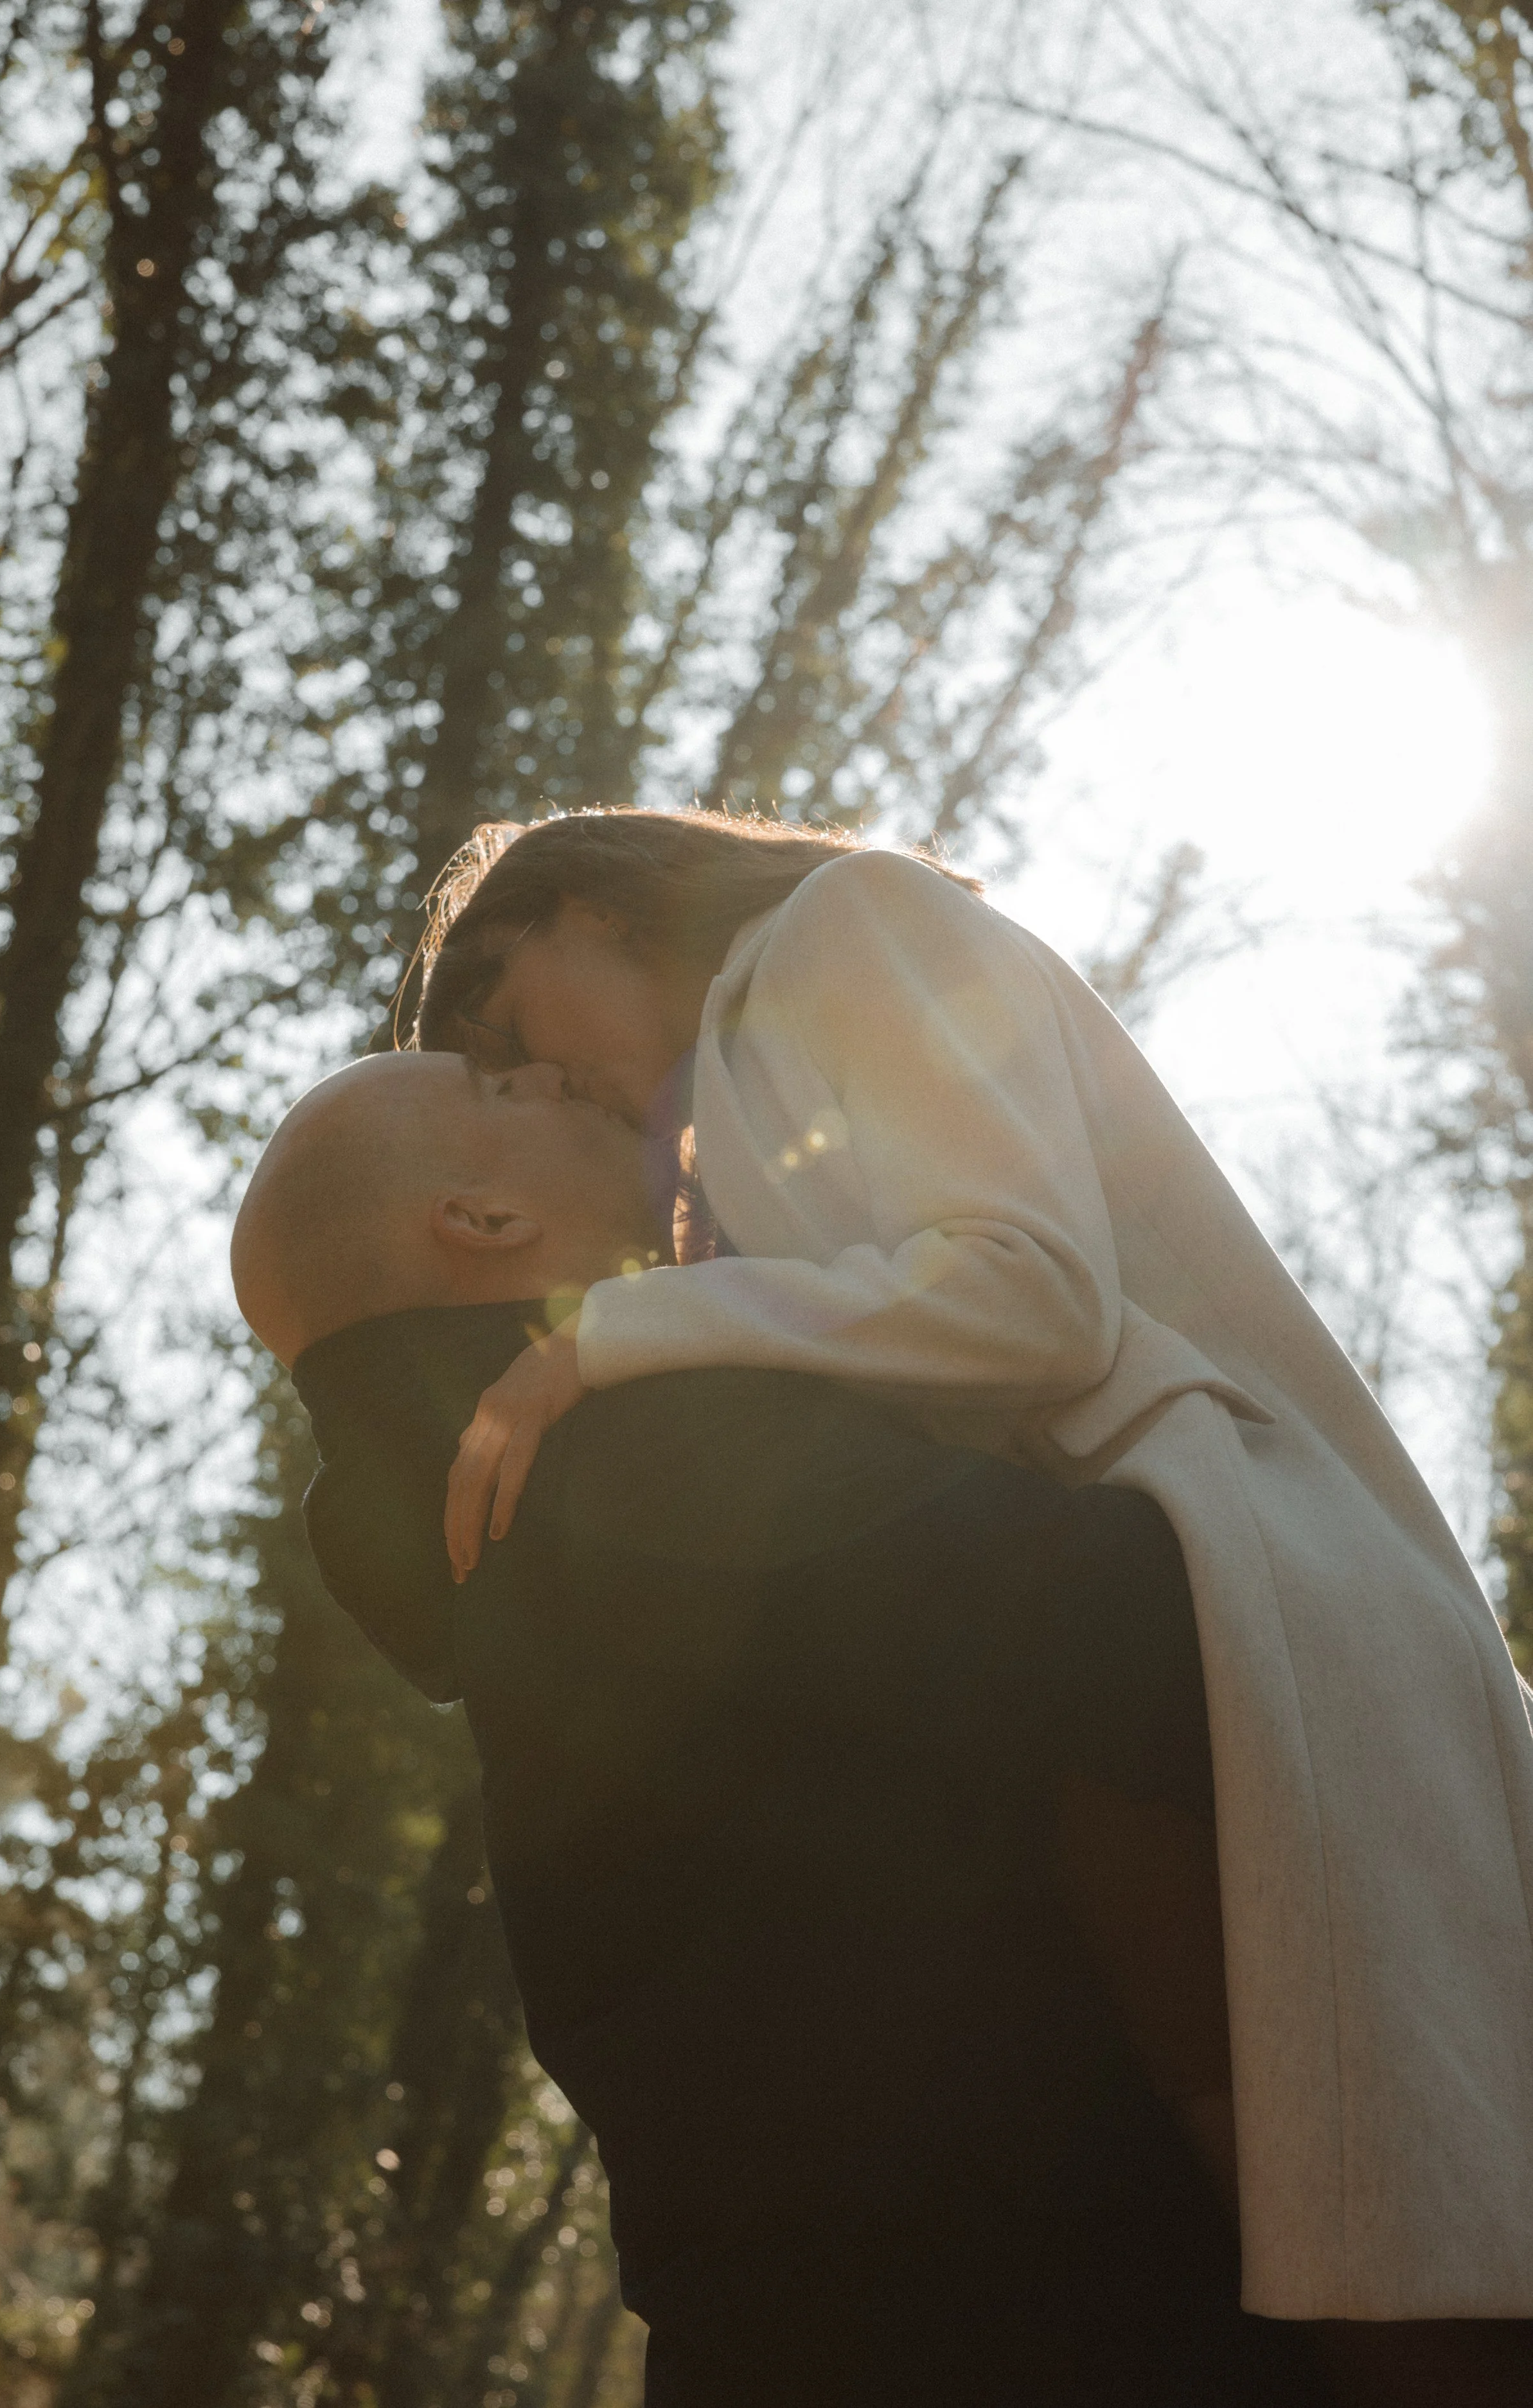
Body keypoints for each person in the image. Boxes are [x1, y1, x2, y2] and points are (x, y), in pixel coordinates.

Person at [411, 808, 1533, 2329]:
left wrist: (613, 1334)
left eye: (501, 1016)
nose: (537, 1074)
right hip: (1102, 1673)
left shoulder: (846, 924)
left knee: (1401, 2296)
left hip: (1237, 1588)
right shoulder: (725, 1113)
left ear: (596, 907)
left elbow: (1032, 1295)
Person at [231, 1050, 1341, 2407]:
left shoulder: (528, 1528)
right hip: (1025, 2315)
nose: (542, 1070)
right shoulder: (643, 1449)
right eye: (494, 1084)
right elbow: (1152, 1634)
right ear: (482, 1221)